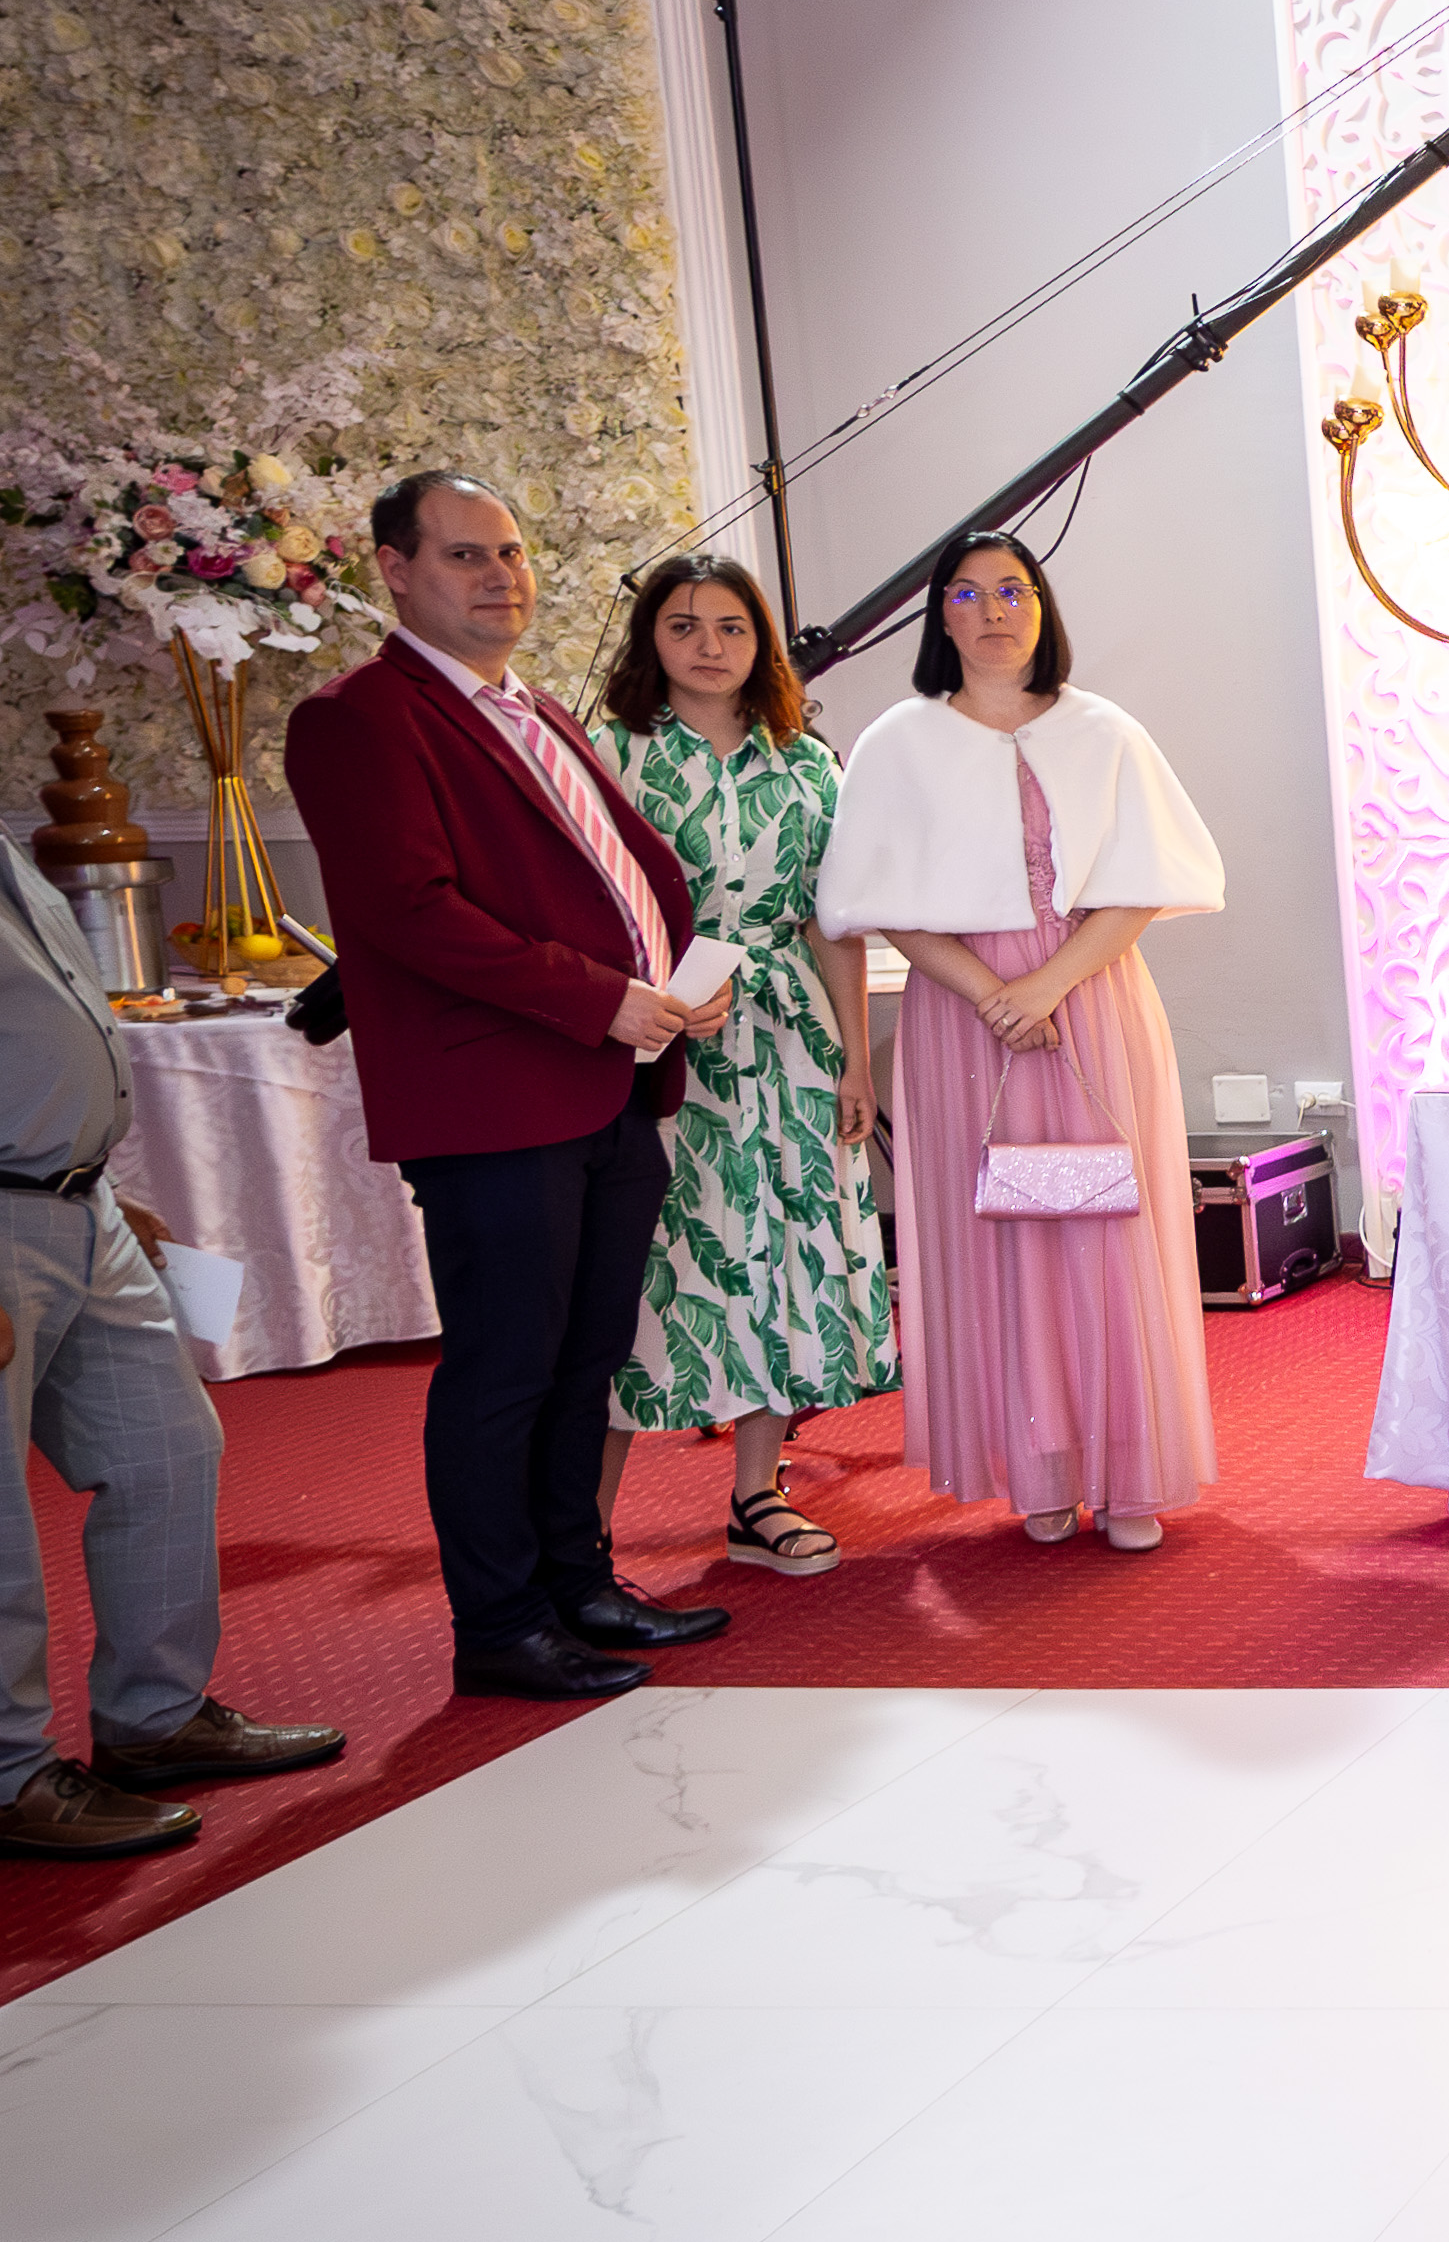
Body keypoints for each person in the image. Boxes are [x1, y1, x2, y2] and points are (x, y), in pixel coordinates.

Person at [281, 470, 737, 1701]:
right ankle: (498, 1623)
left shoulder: (529, 705)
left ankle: (576, 1580)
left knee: (587, 1359)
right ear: (394, 569)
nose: (502, 576)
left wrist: (670, 986)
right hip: (496, 1101)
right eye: (467, 554)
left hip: (610, 1082)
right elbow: (412, 911)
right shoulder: (358, 717)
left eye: (514, 553)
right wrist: (602, 995)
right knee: (505, 1369)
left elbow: (603, 874)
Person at [817, 531, 1225, 1549]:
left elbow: (1141, 883)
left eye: (1013, 590)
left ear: (1041, 607)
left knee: (1109, 1232)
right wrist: (995, 994)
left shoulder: (1105, 730)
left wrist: (1045, 984)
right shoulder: (898, 742)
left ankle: (1128, 1474)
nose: (994, 610)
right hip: (962, 1015)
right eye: (967, 594)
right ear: (939, 618)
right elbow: (878, 899)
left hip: (1091, 991)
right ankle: (1039, 1468)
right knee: (999, 1239)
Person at [5, 849, 340, 1853]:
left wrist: (96, 1178)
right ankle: (11, 1774)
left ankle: (154, 1718)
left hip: (77, 1201)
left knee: (167, 1451)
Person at [586, 556, 897, 1575]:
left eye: (731, 626)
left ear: (761, 641)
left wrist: (854, 1062)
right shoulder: (611, 755)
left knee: (785, 1255)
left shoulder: (806, 764)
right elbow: (584, 906)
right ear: (651, 639)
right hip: (660, 1038)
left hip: (788, 1037)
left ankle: (756, 1494)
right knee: (647, 1262)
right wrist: (643, 997)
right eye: (683, 625)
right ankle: (583, 1523)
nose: (709, 645)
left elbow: (830, 923)